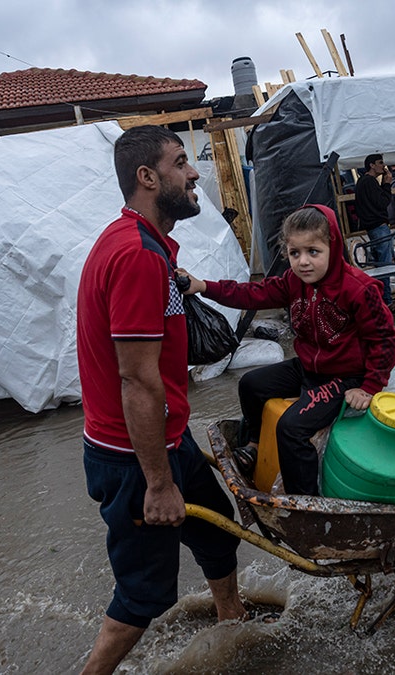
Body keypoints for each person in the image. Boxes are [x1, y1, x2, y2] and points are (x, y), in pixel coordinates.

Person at [76, 125, 244, 675]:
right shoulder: (137, 257)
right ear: (147, 178)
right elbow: (137, 382)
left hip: (163, 439)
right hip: (134, 455)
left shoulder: (142, 244)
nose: (195, 173)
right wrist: (157, 483)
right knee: (144, 593)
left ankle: (231, 620)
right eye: (180, 163)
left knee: (218, 526)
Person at [179, 204, 395, 496]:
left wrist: (370, 386)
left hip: (347, 377)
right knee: (251, 384)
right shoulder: (294, 282)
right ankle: (256, 446)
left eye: (313, 252)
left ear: (333, 247)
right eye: (295, 253)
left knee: (291, 428)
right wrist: (203, 285)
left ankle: (304, 504)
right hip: (309, 367)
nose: (303, 262)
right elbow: (252, 293)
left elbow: (384, 339)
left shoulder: (359, 289)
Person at [354, 153, 395, 305]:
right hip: (378, 226)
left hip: (373, 226)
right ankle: (387, 300)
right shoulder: (369, 182)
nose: (382, 166)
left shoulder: (362, 182)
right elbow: (382, 202)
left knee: (381, 264)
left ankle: (382, 299)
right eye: (380, 163)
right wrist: (387, 184)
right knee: (385, 265)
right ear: (371, 165)